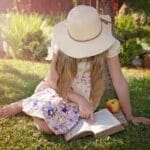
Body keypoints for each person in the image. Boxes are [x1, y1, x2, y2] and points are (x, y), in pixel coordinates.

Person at [0, 5, 150, 135]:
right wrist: (79, 100)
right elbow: (53, 82)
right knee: (45, 127)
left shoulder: (109, 45)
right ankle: (25, 103)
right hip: (59, 90)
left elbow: (119, 81)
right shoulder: (60, 46)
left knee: (56, 124)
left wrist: (130, 115)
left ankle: (34, 106)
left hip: (87, 98)